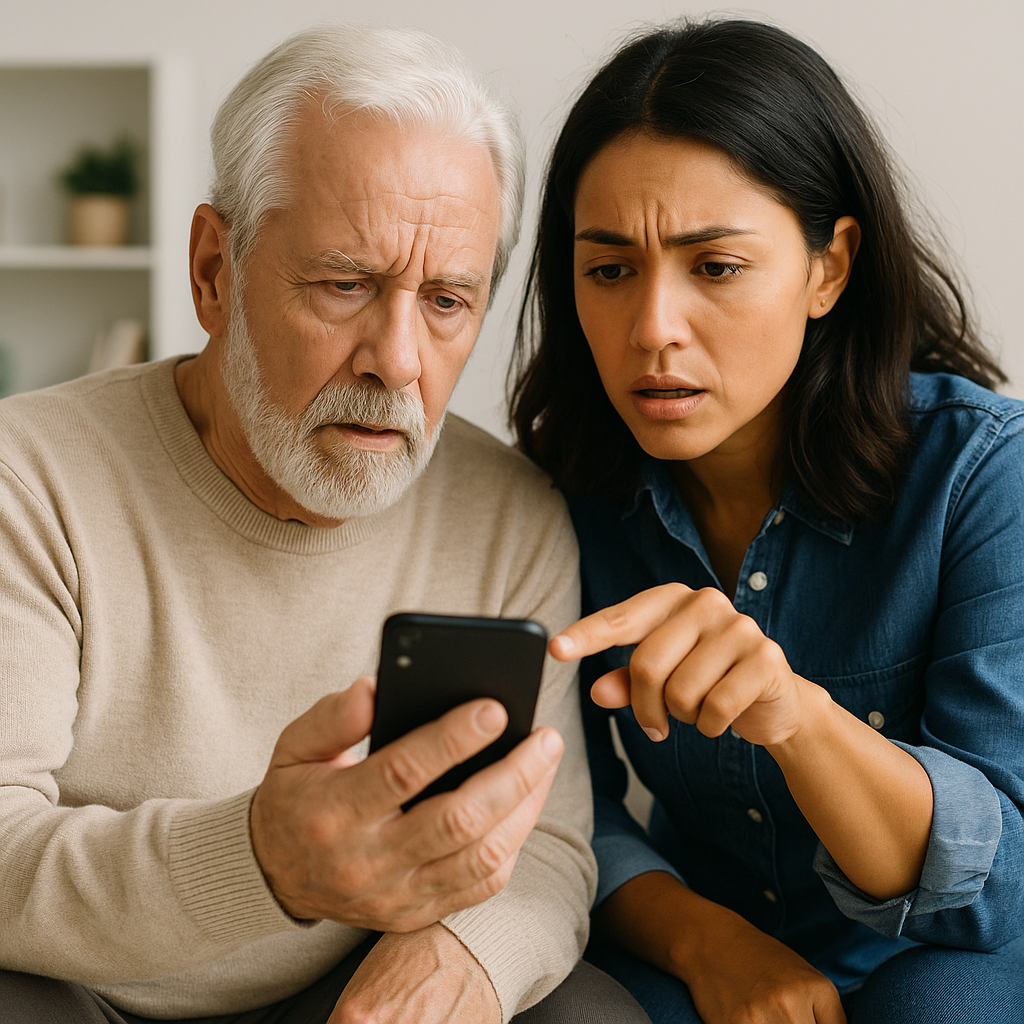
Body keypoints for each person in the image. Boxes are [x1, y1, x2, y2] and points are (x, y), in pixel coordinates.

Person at [0, 24, 651, 1024]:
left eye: (445, 300)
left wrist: (463, 957)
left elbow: (549, 845)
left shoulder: (507, 515)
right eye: (345, 284)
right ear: (215, 270)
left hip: (339, 994)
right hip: (76, 989)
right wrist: (264, 860)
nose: (395, 360)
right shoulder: (28, 477)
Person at [511, 18, 1024, 1024]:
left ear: (828, 268)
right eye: (609, 270)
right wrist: (711, 943)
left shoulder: (981, 473)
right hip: (703, 944)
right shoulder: (562, 488)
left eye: (714, 266)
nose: (652, 327)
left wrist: (795, 716)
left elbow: (1002, 873)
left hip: (946, 957)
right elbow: (568, 811)